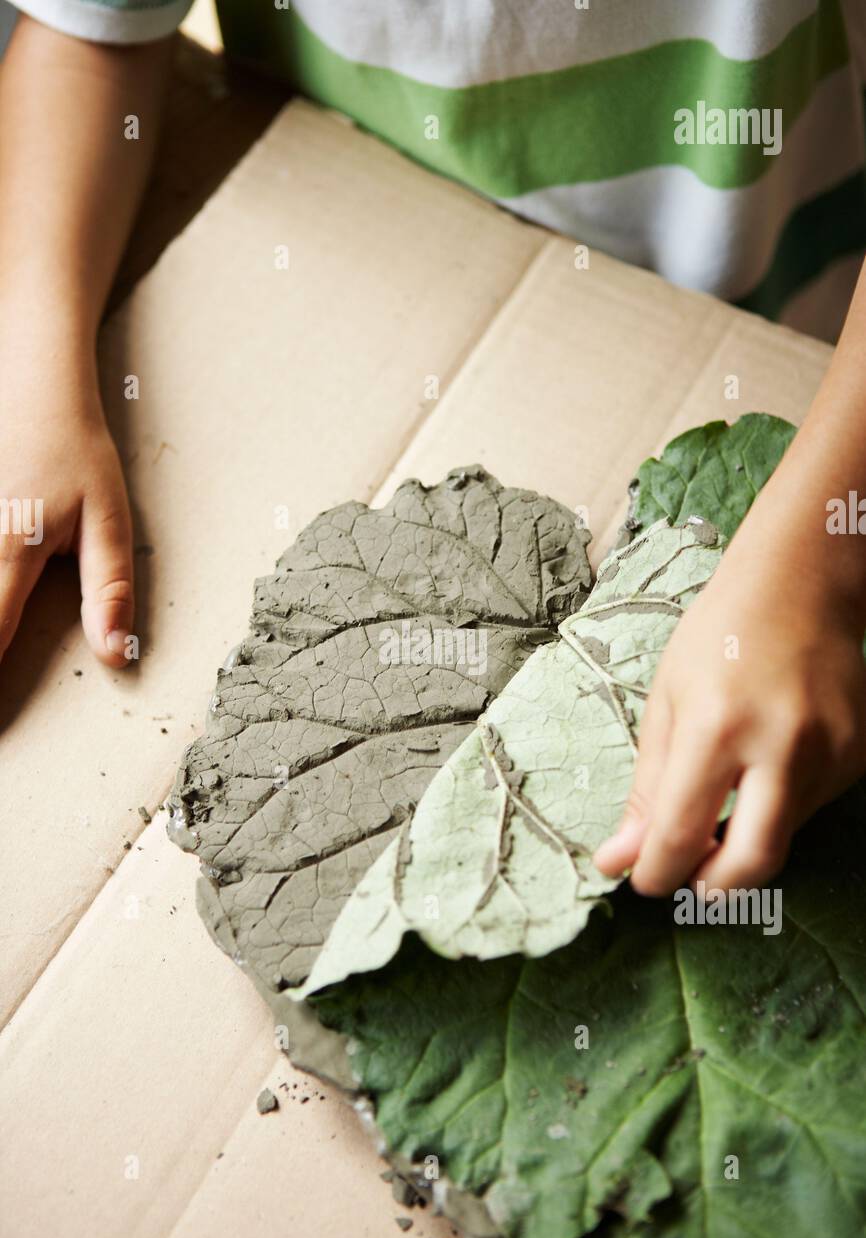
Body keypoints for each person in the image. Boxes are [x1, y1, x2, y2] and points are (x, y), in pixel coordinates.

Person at [2, 0, 866, 898]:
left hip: (786, 330)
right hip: (353, 243)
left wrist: (821, 570)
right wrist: (30, 383)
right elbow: (87, 34)